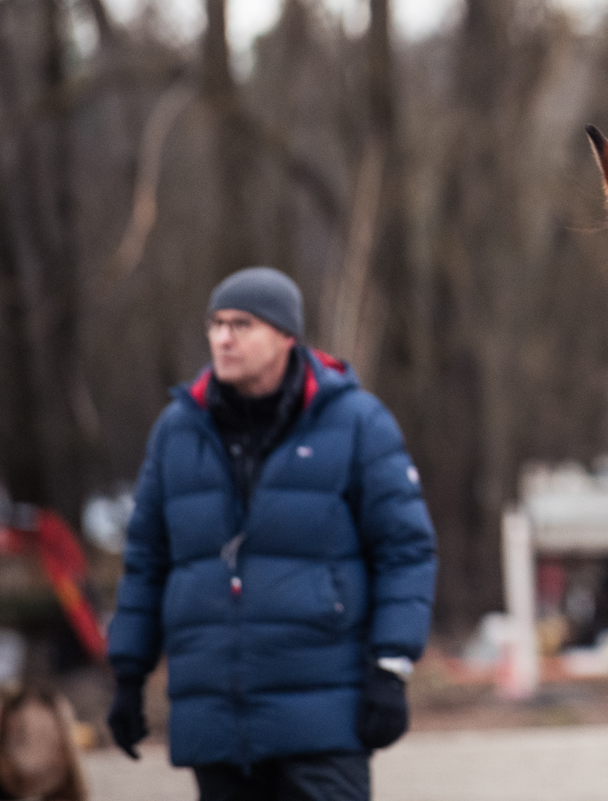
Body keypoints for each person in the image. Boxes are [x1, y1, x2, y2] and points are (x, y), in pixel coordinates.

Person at [106, 267, 437, 800]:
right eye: (215, 324)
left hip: (323, 722)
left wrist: (391, 666)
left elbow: (406, 552)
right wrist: (128, 673)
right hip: (214, 722)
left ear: (286, 335)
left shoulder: (356, 423)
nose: (222, 338)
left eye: (242, 324)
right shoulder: (176, 431)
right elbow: (147, 560)